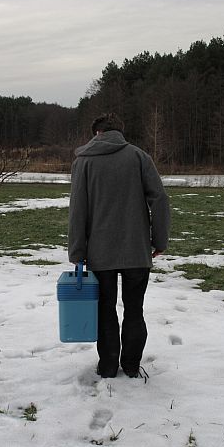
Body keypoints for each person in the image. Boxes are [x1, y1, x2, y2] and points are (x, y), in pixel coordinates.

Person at [68, 112, 170, 379]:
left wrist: (77, 252)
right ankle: (132, 366)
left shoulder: (83, 162)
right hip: (137, 250)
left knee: (105, 310)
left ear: (97, 133)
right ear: (120, 133)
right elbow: (159, 199)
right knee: (135, 310)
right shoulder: (139, 157)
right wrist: (159, 240)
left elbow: (78, 210)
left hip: (100, 253)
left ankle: (109, 366)